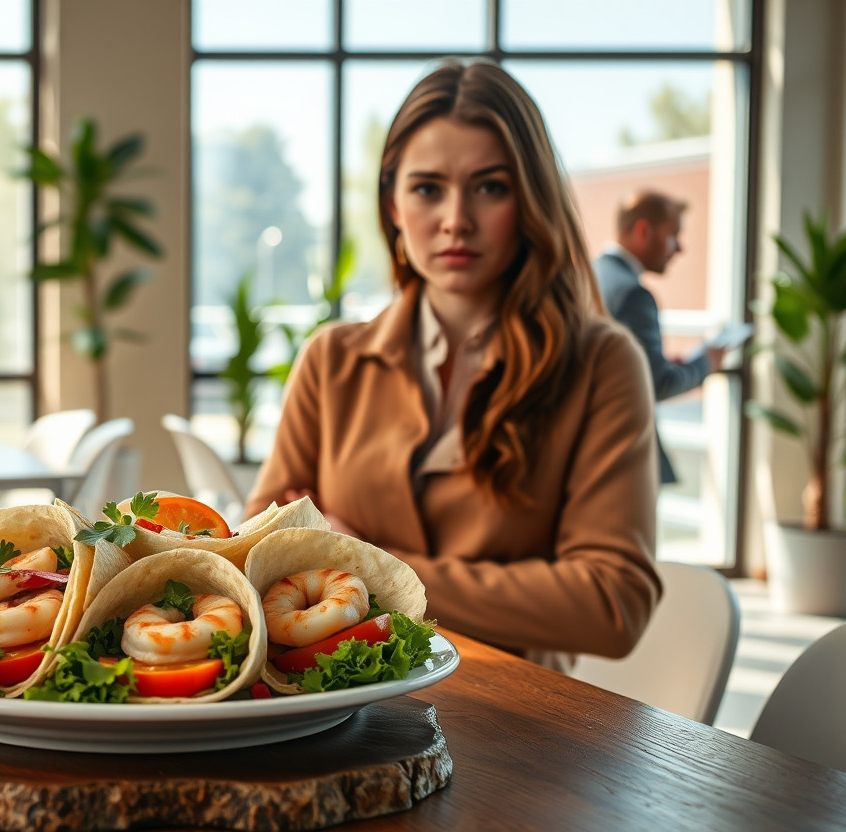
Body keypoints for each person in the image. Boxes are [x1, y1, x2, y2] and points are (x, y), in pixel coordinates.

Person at [245, 59, 661, 672]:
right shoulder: (330, 360)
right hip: (341, 705)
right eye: (427, 188)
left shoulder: (602, 362)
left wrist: (362, 559)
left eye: (490, 186)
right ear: (392, 204)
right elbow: (265, 558)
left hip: (521, 718)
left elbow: (611, 603)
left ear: (529, 199)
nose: (455, 219)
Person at [595, 190, 725, 485]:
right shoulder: (632, 294)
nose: (679, 248)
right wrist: (706, 364)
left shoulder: (588, 275)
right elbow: (654, 383)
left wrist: (660, 363)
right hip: (623, 464)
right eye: (673, 235)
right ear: (644, 230)